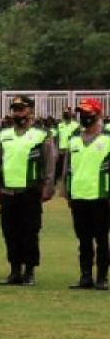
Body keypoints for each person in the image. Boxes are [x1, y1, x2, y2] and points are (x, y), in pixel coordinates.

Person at [0, 95, 56, 286]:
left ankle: (29, 271)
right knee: (10, 232)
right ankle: (14, 270)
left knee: (29, 231)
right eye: (15, 109)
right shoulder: (4, 134)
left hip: (30, 191)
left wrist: (48, 187)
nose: (17, 113)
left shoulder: (42, 134)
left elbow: (49, 164)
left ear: (31, 111)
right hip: (8, 192)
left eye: (21, 109)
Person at [61, 98, 110, 290]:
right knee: (83, 239)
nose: (84, 117)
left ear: (98, 114)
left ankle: (102, 278)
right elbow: (67, 167)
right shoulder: (73, 138)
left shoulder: (107, 138)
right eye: (81, 113)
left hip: (101, 195)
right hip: (79, 196)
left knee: (102, 239)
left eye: (88, 113)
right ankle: (86, 276)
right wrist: (66, 191)